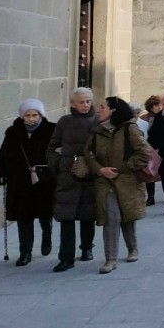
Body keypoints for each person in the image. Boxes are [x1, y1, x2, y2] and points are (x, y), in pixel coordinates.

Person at [86, 96, 154, 274]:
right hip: (104, 182)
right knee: (111, 218)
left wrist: (124, 168)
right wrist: (101, 170)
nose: (98, 110)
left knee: (127, 217)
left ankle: (132, 248)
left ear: (113, 111)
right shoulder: (97, 131)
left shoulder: (129, 129)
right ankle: (110, 259)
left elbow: (144, 153)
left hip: (127, 181)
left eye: (103, 107)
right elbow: (89, 154)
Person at [0, 98, 56, 267]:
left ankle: (47, 234)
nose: (31, 119)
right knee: (24, 217)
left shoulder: (51, 130)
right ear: (22, 116)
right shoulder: (13, 132)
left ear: (41, 115)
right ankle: (25, 252)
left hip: (43, 180)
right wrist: (0, 171)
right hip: (20, 180)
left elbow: (57, 153)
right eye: (27, 115)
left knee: (44, 213)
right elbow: (4, 154)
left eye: (34, 115)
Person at [47, 88, 99, 271]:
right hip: (68, 177)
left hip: (90, 177)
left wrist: (92, 165)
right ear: (73, 104)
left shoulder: (98, 121)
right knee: (66, 218)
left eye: (88, 101)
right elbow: (52, 147)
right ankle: (66, 257)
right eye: (81, 102)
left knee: (87, 216)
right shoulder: (64, 122)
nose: (85, 105)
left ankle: (87, 247)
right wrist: (59, 165)